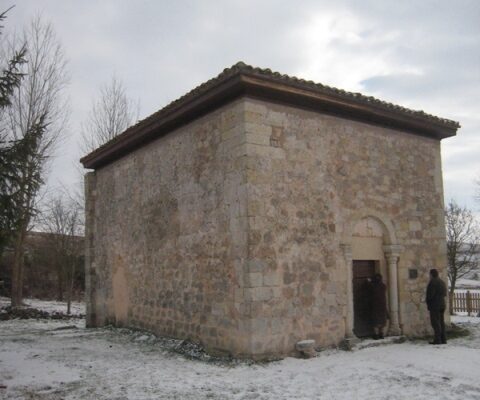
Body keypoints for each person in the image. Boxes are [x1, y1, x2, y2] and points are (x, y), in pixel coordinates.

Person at [426, 268, 447, 344]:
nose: (429, 276)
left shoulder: (433, 282)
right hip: (442, 304)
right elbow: (445, 294)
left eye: (430, 274)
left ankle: (437, 340)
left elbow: (430, 295)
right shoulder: (442, 282)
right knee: (441, 322)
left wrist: (428, 302)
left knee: (435, 323)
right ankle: (443, 339)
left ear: (431, 274)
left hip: (435, 305)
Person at [371, 273, 388, 339]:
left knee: (376, 322)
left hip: (375, 306)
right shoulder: (383, 286)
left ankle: (376, 335)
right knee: (382, 321)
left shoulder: (372, 286)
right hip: (382, 305)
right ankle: (381, 334)